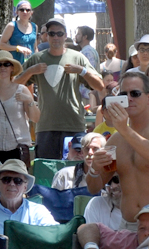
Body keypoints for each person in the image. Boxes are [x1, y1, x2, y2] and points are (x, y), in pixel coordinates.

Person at [86, 69, 149, 227]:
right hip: (128, 226)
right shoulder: (117, 140)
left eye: (135, 93)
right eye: (124, 94)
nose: (129, 99)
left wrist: (124, 130)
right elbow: (93, 186)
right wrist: (94, 168)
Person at [17, 17, 105, 160]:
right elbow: (15, 84)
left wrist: (81, 71)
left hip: (73, 125)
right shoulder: (37, 58)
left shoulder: (78, 58)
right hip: (46, 126)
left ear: (65, 36)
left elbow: (99, 86)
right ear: (46, 36)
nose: (55, 37)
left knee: (75, 171)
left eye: (59, 34)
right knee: (46, 173)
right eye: (52, 34)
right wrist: (30, 71)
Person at [0, 160, 56, 233]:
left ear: (25, 187)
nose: (12, 184)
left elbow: (54, 234)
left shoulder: (38, 212)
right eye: (6, 179)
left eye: (18, 180)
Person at [0, 0, 38, 64]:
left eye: (28, 10)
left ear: (31, 13)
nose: (25, 12)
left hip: (30, 64)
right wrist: (17, 48)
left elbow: (35, 47)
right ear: (17, 12)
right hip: (15, 64)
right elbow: (1, 45)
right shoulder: (12, 26)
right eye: (22, 10)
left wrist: (37, 61)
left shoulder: (34, 27)